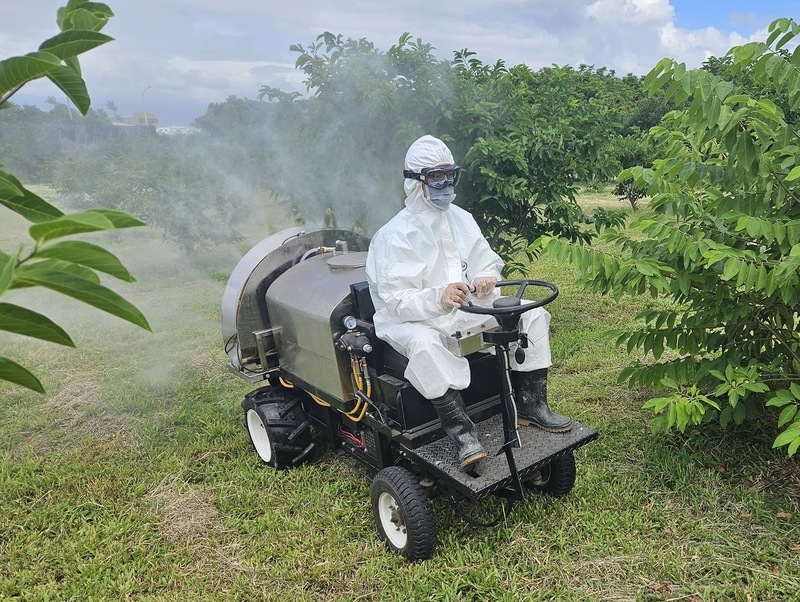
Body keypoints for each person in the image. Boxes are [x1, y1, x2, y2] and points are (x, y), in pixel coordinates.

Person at [365, 135, 572, 469]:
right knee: (426, 344)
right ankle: (463, 434)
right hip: (413, 321)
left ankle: (532, 406)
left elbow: (485, 260)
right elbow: (397, 301)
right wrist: (440, 296)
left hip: (464, 311)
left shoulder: (461, 218)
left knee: (531, 315)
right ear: (416, 182)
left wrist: (486, 276)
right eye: (436, 177)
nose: (446, 183)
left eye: (450, 175)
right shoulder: (393, 236)